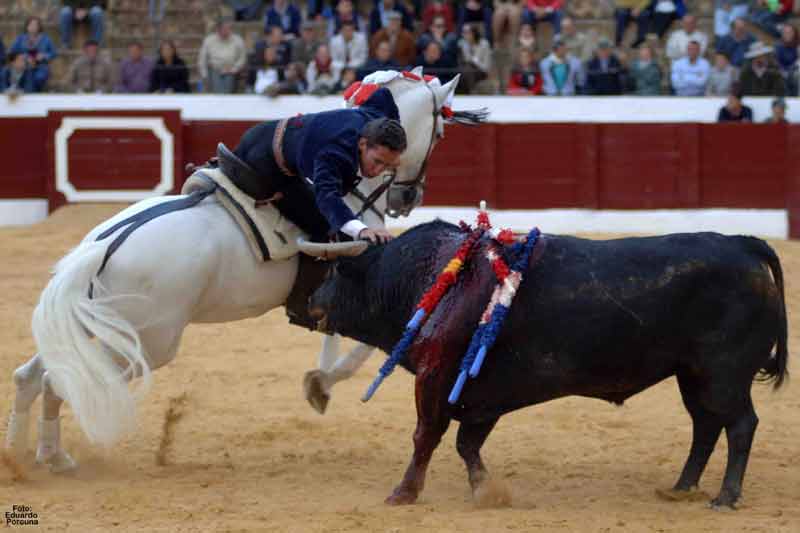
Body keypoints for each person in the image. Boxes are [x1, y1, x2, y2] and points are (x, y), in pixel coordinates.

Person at [231, 87, 406, 243]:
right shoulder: (336, 152)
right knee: (324, 227)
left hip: (272, 131)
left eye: (387, 166)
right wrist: (362, 230)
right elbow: (327, 195)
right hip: (264, 157)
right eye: (377, 161)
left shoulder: (378, 122)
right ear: (362, 144)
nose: (378, 171)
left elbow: (383, 95)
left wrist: (397, 128)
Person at [198, 18, 246, 94]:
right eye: (225, 28)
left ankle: (225, 100)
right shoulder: (209, 40)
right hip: (214, 69)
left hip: (231, 70)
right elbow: (202, 59)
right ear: (218, 29)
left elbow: (242, 58)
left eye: (229, 28)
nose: (227, 31)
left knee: (228, 83)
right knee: (216, 85)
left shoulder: (238, 40)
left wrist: (234, 69)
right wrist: (204, 75)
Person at [10, 17, 56, 92]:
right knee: (22, 76)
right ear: (27, 26)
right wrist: (23, 57)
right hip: (24, 66)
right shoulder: (20, 38)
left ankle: (35, 95)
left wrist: (44, 56)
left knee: (39, 78)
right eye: (31, 25)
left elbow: (53, 53)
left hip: (41, 66)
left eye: (35, 25)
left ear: (39, 27)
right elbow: (12, 51)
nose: (33, 27)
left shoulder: (46, 39)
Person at [459, 23, 492, 93]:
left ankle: (471, 92)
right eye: (463, 32)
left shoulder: (484, 44)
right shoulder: (462, 44)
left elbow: (486, 67)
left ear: (474, 33)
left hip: (481, 70)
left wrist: (474, 61)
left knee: (468, 69)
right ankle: (469, 91)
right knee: (466, 69)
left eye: (466, 32)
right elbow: (464, 61)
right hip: (467, 70)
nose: (464, 35)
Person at [775, 24, 798, 95]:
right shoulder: (778, 46)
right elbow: (777, 62)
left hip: (796, 72)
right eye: (785, 33)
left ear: (794, 33)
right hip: (783, 72)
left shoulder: (798, 46)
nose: (787, 35)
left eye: (790, 32)